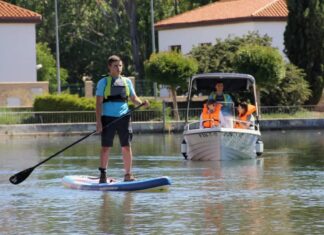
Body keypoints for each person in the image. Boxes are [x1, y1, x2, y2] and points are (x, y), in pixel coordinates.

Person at [96, 55, 149, 183]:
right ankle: (103, 174)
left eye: (120, 65)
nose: (119, 68)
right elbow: (98, 103)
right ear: (109, 67)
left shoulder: (127, 82)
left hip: (124, 118)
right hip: (107, 119)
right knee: (105, 147)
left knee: (126, 146)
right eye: (115, 66)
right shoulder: (103, 82)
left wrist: (142, 103)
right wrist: (98, 122)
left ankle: (128, 175)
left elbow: (133, 98)